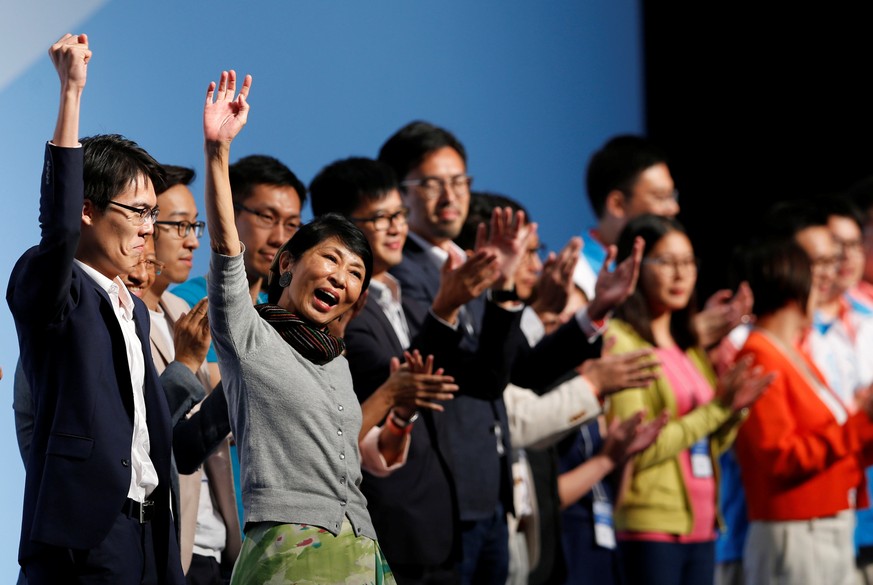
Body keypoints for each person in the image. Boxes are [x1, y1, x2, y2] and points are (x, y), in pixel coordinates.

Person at [379, 120, 643, 585]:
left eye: (459, 182)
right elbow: (469, 374)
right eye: (433, 184)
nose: (451, 196)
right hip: (443, 502)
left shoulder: (464, 265)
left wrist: (595, 312)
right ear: (399, 194)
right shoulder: (402, 277)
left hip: (490, 496)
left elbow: (517, 369)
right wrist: (501, 290)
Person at [201, 70, 409, 584]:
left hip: (363, 549)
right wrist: (217, 152)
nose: (341, 277)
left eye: (356, 272)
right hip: (290, 552)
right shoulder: (249, 336)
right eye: (331, 260)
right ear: (288, 263)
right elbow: (228, 252)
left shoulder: (338, 362)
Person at [7, 33, 183, 583]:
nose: (147, 229)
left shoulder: (135, 308)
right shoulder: (52, 287)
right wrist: (71, 92)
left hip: (151, 535)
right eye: (137, 211)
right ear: (88, 209)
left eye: (154, 215)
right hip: (82, 538)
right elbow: (55, 227)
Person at [605, 214, 770, 585]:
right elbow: (639, 447)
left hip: (701, 522)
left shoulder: (687, 347)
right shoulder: (623, 342)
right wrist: (717, 410)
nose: (681, 275)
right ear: (635, 268)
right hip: (649, 523)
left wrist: (735, 409)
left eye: (688, 262)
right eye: (666, 262)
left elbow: (709, 442)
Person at [734, 237, 873, 585]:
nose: (825, 284)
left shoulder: (793, 353)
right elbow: (778, 457)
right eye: (816, 273)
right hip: (795, 533)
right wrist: (862, 422)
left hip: (828, 525)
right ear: (793, 283)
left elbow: (836, 443)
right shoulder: (759, 357)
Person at [145, 164, 241, 583]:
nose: (192, 241)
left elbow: (217, 425)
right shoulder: (110, 317)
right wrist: (186, 363)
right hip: (161, 542)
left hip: (215, 539)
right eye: (179, 226)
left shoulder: (182, 313)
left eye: (196, 225)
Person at [579, 135, 752, 350]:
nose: (673, 209)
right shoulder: (579, 275)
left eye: (673, 196)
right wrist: (687, 335)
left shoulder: (654, 267)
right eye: (661, 197)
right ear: (617, 204)